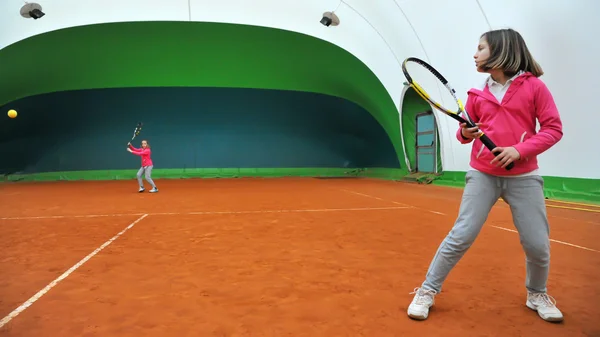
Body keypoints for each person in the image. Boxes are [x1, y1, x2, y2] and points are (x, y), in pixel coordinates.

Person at [407, 28, 564, 323]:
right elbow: (465, 132)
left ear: (502, 50)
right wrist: (465, 132)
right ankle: (427, 290)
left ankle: (537, 293)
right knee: (462, 234)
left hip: (524, 177)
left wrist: (519, 151)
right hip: (482, 175)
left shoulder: (534, 88)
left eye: (481, 48)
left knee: (537, 244)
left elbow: (553, 129)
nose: (475, 54)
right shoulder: (476, 95)